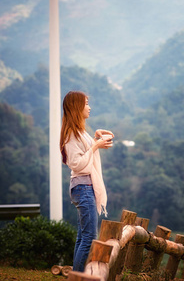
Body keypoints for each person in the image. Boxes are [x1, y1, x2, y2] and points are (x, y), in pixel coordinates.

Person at [59, 91, 114, 272]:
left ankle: (76, 274)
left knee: (83, 236)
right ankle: (79, 276)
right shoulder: (72, 134)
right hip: (83, 187)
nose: (89, 107)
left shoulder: (79, 132)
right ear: (77, 107)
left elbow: (87, 151)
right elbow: (78, 164)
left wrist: (96, 138)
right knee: (89, 236)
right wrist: (96, 145)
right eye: (86, 103)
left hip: (84, 186)